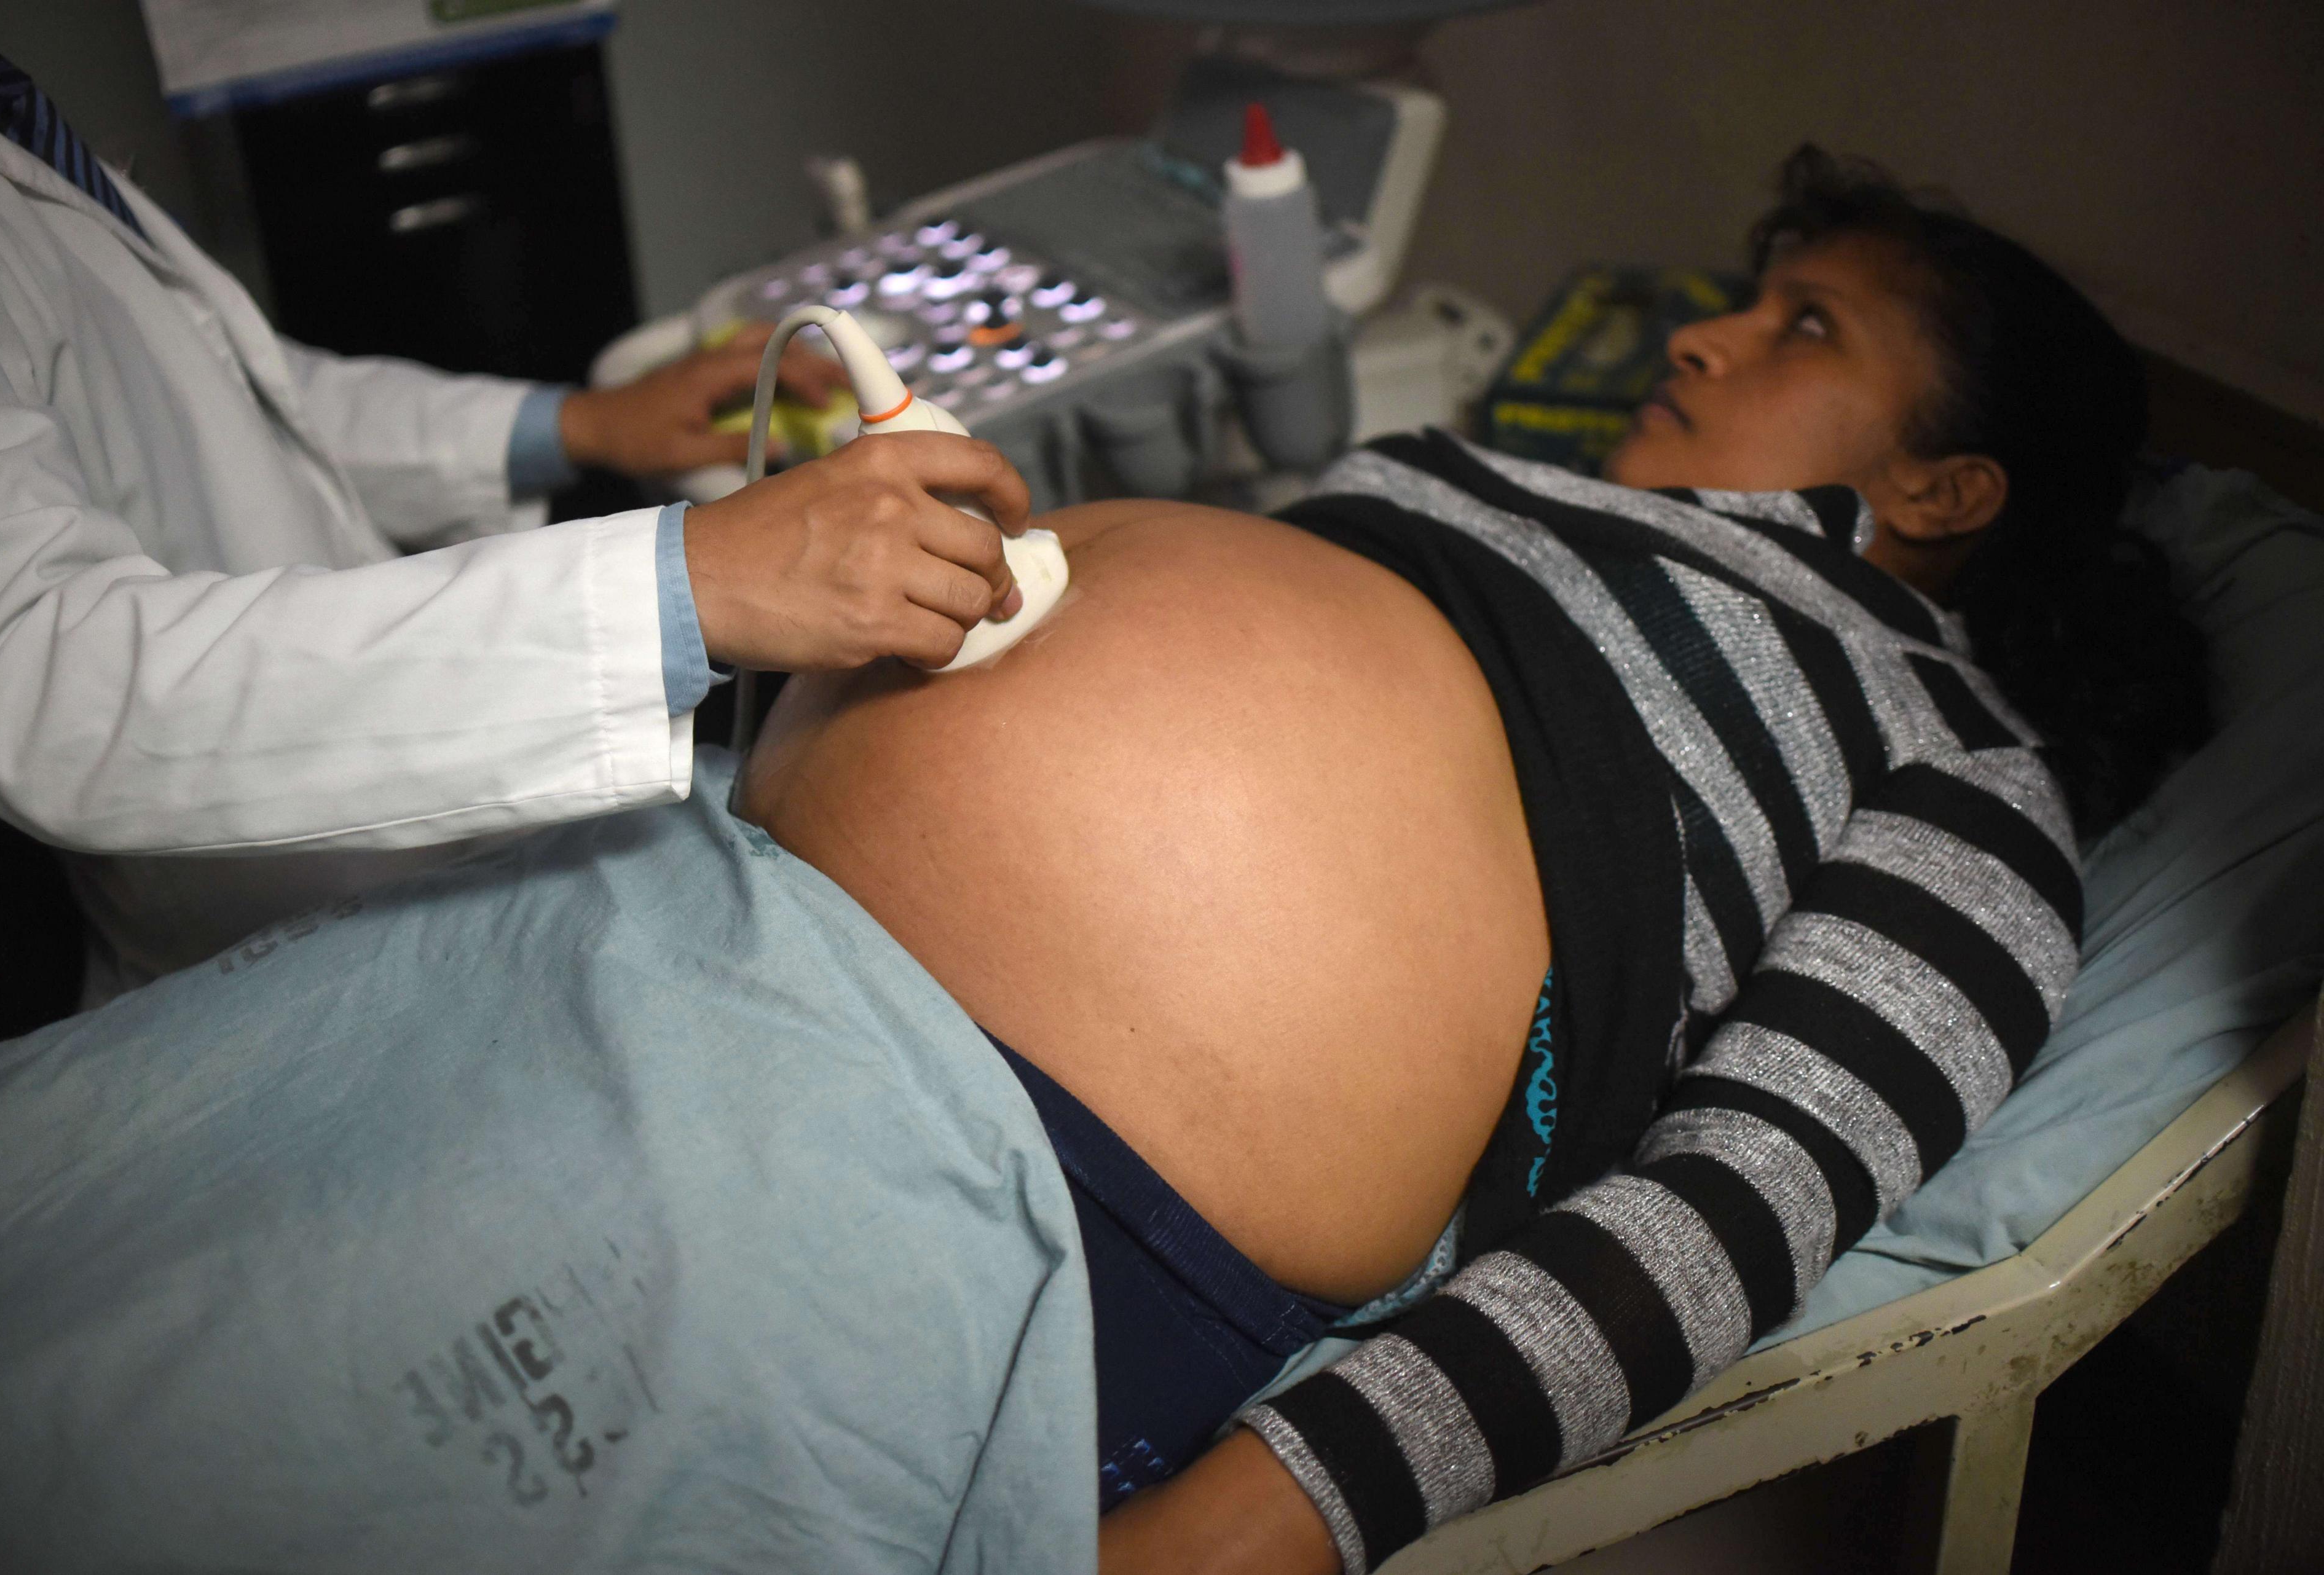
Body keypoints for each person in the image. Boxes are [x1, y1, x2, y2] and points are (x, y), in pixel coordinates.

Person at [738, 147, 2205, 1571]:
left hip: (1068, 1174)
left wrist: (1240, 1534)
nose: (1699, 337)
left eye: (1804, 325)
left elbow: (1731, 1212)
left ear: (1949, 489)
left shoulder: (1960, 766)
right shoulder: (1474, 480)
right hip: (718, 923)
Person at [0, 31, 1030, 999]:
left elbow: (248, 384)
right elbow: (29, 675)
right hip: (281, 942)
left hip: (464, 856)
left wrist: (575, 426)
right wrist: (689, 586)